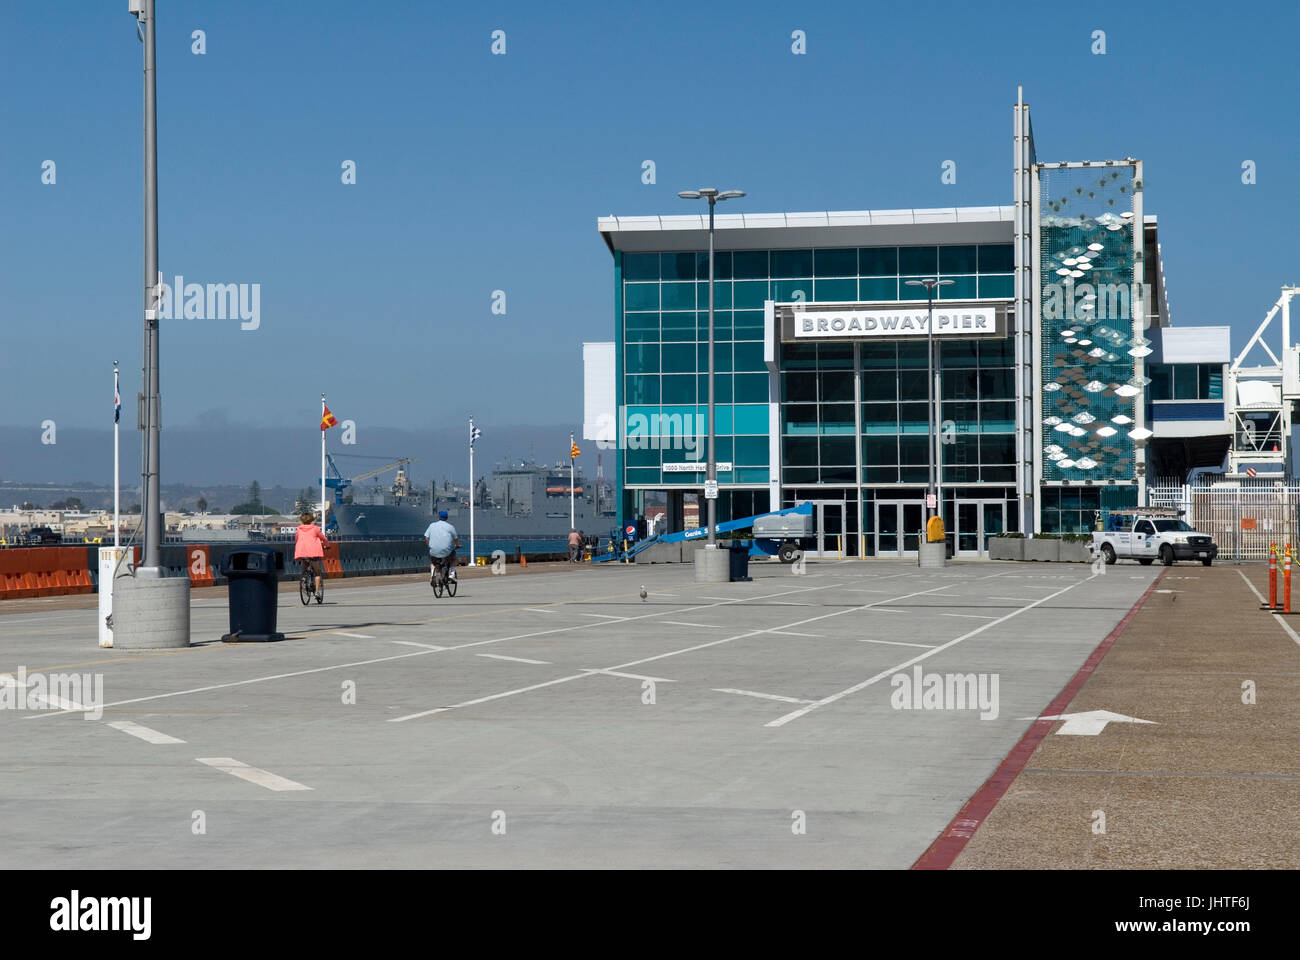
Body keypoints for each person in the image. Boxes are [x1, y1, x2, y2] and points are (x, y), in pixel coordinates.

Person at [293, 512, 328, 596]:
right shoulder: (315, 528)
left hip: (302, 552)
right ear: (311, 519)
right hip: (313, 552)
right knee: (317, 573)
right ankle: (316, 592)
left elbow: (296, 540)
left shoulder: (298, 529)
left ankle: (304, 579)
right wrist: (327, 545)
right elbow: (323, 538)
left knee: (305, 568)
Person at [423, 510, 460, 585]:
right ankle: (452, 575)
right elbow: (455, 539)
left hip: (434, 551)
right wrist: (457, 545)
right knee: (454, 559)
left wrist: (429, 546)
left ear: (438, 517)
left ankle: (432, 577)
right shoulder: (450, 527)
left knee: (433, 563)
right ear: (447, 517)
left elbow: (426, 538)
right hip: (446, 552)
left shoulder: (432, 525)